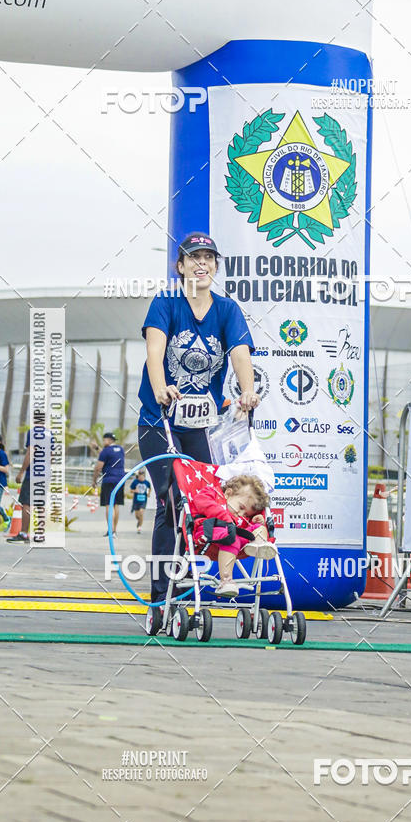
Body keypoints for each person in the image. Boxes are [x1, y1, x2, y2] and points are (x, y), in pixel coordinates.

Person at [138, 232, 260, 604]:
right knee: (171, 498)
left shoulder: (227, 310)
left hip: (201, 426)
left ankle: (194, 576)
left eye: (208, 257)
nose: (201, 263)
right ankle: (162, 590)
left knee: (205, 501)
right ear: (180, 266)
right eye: (193, 257)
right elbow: (155, 352)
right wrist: (161, 388)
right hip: (160, 422)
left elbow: (240, 354)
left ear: (216, 266)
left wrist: (247, 390)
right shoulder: (166, 303)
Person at [192, 474, 273, 595]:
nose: (241, 514)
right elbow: (201, 502)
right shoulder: (213, 493)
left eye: (246, 514)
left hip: (236, 540)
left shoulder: (239, 518)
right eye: (241, 507)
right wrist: (225, 518)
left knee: (260, 528)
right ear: (228, 494)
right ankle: (225, 581)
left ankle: (258, 545)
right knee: (232, 538)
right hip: (208, 533)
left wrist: (253, 521)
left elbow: (244, 527)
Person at [92, 432, 125, 536]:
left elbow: (98, 467)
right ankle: (114, 530)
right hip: (120, 479)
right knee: (116, 504)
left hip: (109, 480)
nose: (103, 441)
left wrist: (94, 480)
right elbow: (108, 455)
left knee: (109, 504)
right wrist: (97, 448)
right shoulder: (120, 449)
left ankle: (110, 530)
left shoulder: (105, 451)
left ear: (109, 440)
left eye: (104, 439)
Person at [6, 429, 32, 543]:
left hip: (32, 475)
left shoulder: (33, 432)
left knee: (26, 503)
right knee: (40, 504)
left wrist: (21, 472)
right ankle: (40, 535)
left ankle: (23, 534)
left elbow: (30, 452)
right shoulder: (50, 434)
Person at [130, 468, 151, 533]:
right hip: (136, 501)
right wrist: (134, 491)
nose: (141, 477)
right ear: (138, 476)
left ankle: (139, 527)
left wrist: (148, 494)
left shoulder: (147, 482)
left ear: (144, 476)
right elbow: (130, 490)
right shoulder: (135, 482)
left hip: (143, 500)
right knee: (137, 515)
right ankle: (139, 522)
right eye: (139, 476)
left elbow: (150, 488)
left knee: (141, 513)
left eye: (142, 476)